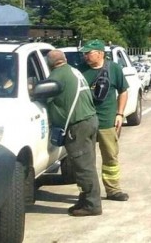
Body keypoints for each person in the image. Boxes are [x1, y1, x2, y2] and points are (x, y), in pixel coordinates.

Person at [45, 50, 102, 217]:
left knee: (83, 166)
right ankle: (85, 199)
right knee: (87, 163)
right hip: (89, 119)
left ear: (50, 64)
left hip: (78, 125)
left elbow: (44, 96)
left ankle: (92, 205)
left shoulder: (57, 76)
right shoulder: (72, 70)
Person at [79, 39, 131, 202]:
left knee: (110, 157)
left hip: (107, 122)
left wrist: (119, 114)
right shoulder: (80, 71)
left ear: (100, 53)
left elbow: (123, 91)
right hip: (86, 122)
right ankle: (88, 193)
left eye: (88, 53)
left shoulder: (114, 69)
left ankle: (113, 190)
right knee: (85, 160)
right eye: (84, 53)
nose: (85, 56)